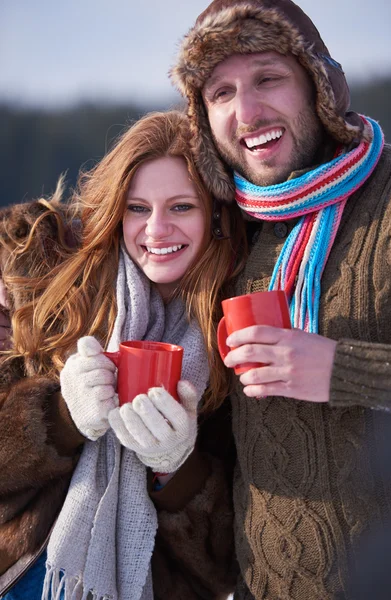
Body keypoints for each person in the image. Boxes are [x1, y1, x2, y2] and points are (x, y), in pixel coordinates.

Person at [149, 1, 391, 598]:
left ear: (318, 86)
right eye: (221, 93)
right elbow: (111, 243)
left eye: (267, 78)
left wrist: (344, 371)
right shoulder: (227, 231)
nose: (247, 111)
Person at [0, 110, 245, 599]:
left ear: (215, 214)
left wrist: (177, 468)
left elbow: (224, 565)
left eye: (180, 207)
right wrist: (61, 416)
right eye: (137, 208)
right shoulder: (52, 283)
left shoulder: (234, 334)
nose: (156, 229)